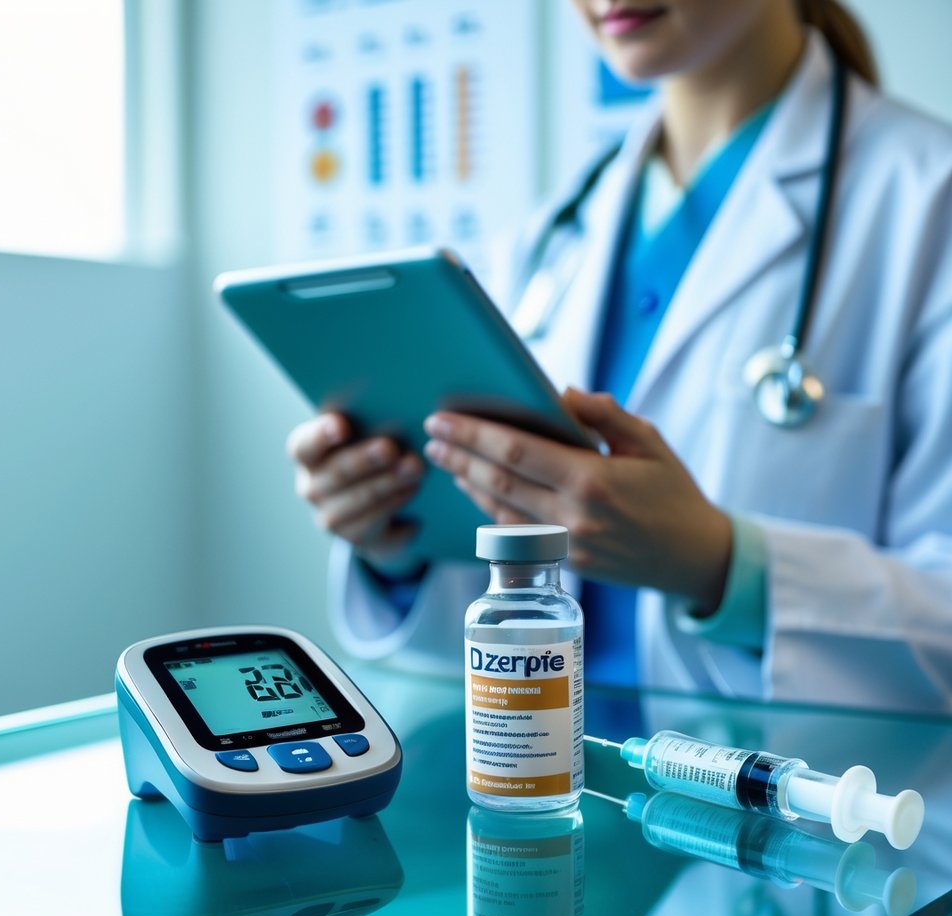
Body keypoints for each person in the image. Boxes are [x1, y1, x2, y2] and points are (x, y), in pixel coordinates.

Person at [286, 0, 952, 712]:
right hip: (548, 789)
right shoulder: (553, 235)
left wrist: (724, 566)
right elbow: (490, 623)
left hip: (791, 809)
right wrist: (400, 543)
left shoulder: (926, 202)